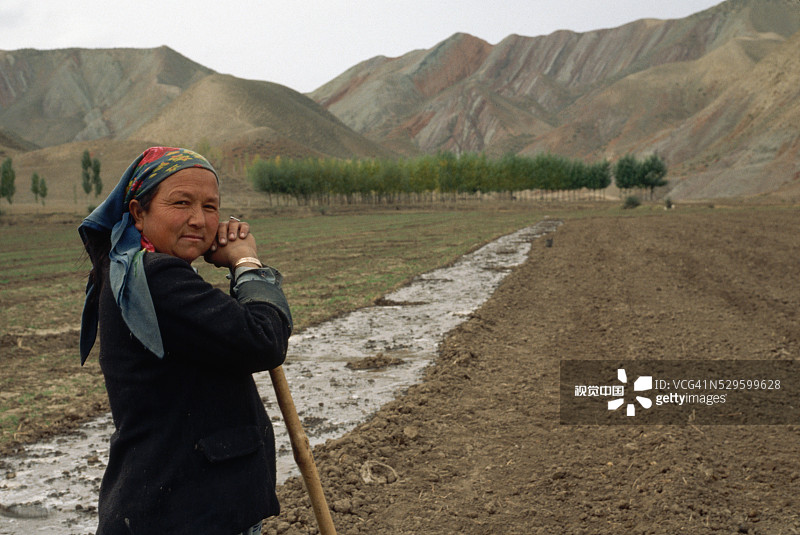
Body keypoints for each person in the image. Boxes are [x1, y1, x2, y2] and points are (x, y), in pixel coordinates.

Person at [78, 147, 292, 535]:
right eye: (181, 203)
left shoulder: (132, 272)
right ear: (139, 213)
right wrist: (246, 263)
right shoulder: (157, 280)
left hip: (177, 502)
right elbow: (264, 339)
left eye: (211, 207)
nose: (198, 219)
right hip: (189, 511)